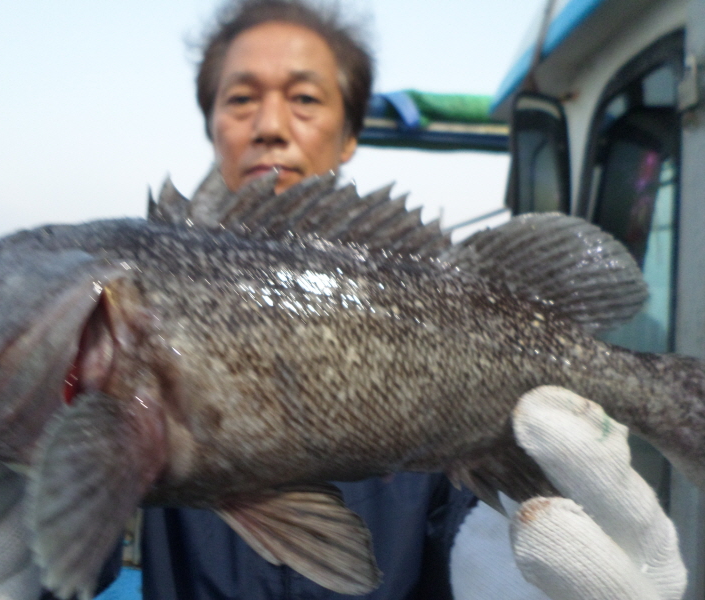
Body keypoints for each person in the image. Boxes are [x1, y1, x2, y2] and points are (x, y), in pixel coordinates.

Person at [140, 1, 686, 600]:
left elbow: (463, 531)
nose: (270, 124)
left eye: (305, 99)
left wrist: (510, 573)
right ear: (212, 121)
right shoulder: (144, 307)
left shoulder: (432, 284)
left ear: (348, 135)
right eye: (241, 98)